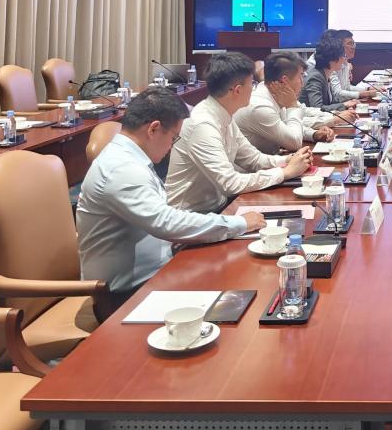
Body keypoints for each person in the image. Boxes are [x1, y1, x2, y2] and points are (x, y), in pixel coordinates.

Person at [76, 87, 265, 319]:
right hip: (124, 295)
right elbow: (166, 223)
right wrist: (239, 224)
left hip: (158, 273)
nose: (172, 146)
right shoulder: (121, 169)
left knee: (238, 282)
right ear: (154, 129)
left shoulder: (130, 158)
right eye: (174, 137)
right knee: (234, 302)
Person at [166, 52, 312, 213]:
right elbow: (230, 184)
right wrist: (284, 172)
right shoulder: (202, 124)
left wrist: (288, 160)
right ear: (237, 90)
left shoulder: (224, 114)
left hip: (220, 206)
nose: (254, 88)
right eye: (252, 83)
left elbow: (253, 159)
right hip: (193, 215)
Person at [236, 51, 336, 154]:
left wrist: (314, 134)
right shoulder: (259, 106)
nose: (302, 84)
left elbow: (286, 128)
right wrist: (292, 106)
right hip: (255, 163)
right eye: (301, 76)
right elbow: (294, 142)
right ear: (285, 80)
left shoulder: (276, 94)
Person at [304, 36, 355, 112]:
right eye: (343, 56)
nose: (344, 59)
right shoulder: (315, 77)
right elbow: (317, 108)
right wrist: (344, 105)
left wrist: (347, 106)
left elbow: (330, 102)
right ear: (332, 59)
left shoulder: (326, 74)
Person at [326, 29, 377, 102]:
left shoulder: (346, 62)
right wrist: (363, 94)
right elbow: (337, 94)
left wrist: (367, 89)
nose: (353, 47)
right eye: (349, 44)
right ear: (339, 46)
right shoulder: (333, 64)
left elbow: (347, 88)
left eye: (353, 44)